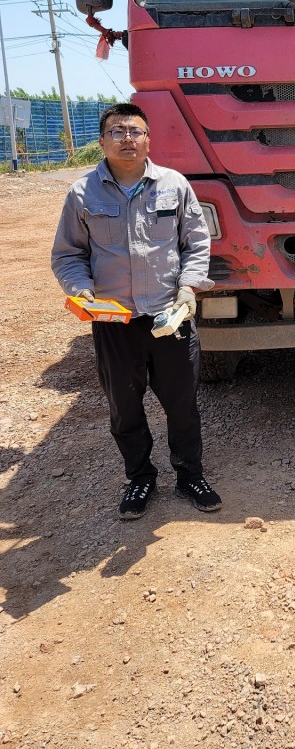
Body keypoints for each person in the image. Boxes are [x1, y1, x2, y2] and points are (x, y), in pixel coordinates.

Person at [51, 102, 222, 519]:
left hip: (170, 318)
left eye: (135, 131)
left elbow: (196, 243)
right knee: (124, 409)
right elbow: (68, 255)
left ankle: (190, 475)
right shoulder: (82, 193)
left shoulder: (174, 185)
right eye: (117, 131)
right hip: (115, 322)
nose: (127, 138)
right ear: (102, 141)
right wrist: (81, 290)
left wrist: (188, 289)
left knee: (182, 406)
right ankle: (140, 477)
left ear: (148, 139)